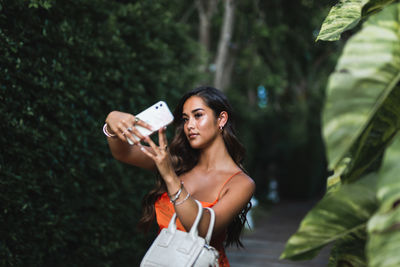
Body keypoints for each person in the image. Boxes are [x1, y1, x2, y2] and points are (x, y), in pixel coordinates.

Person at [103, 86, 255, 266]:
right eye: (185, 119)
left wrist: (170, 177)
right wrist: (111, 122)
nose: (189, 125)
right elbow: (124, 153)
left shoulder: (241, 183)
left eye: (198, 115)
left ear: (221, 119)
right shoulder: (178, 163)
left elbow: (203, 227)